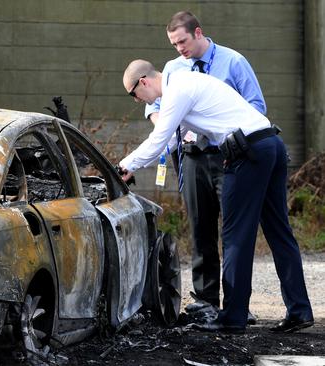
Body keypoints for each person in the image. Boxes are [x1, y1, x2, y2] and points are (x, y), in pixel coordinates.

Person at [119, 59, 313, 333]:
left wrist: (125, 165)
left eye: (134, 95)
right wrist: (133, 164)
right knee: (279, 231)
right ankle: (300, 310)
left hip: (248, 154)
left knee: (235, 236)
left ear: (144, 82)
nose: (138, 101)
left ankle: (233, 318)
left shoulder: (177, 89)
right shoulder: (188, 83)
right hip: (271, 144)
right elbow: (173, 140)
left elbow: (159, 138)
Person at [146, 11, 266, 318]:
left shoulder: (233, 62)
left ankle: (238, 304)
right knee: (200, 229)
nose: (179, 49)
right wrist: (166, 122)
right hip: (192, 157)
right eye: (173, 44)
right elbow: (154, 104)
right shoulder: (173, 68)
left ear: (198, 33)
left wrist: (230, 135)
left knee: (233, 230)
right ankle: (205, 299)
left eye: (182, 41)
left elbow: (256, 106)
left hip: (228, 156)